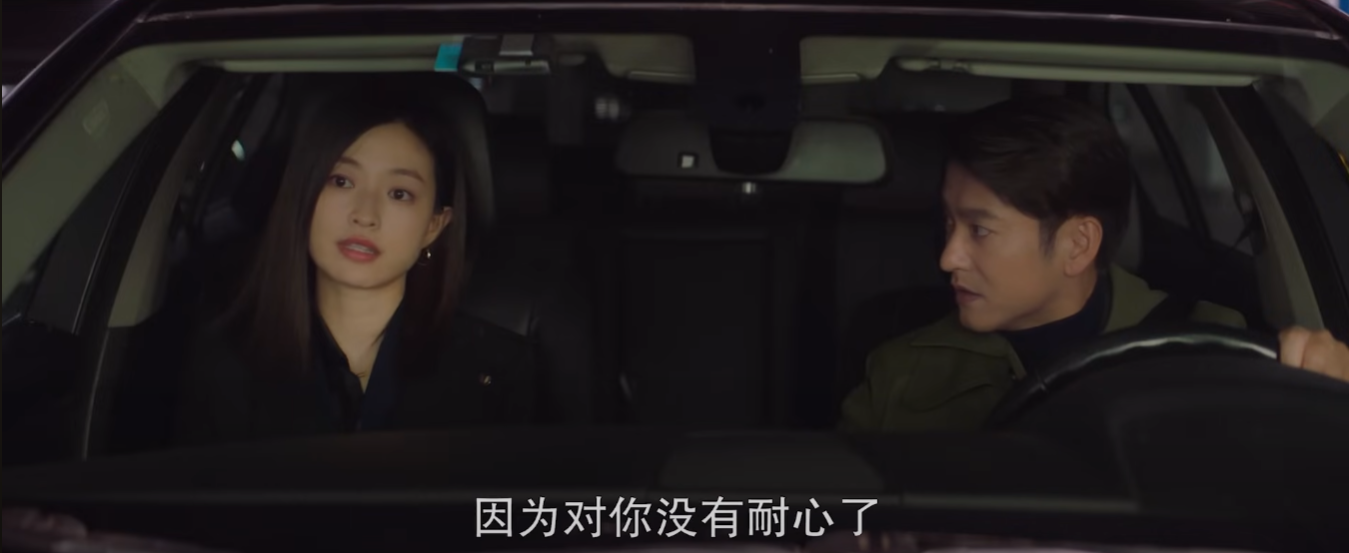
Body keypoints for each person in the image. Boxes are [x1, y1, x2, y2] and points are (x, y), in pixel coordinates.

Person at [840, 96, 1349, 433]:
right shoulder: (899, 372)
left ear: (1077, 245)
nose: (947, 256)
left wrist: (1330, 399)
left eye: (980, 230)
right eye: (949, 223)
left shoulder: (1212, 349)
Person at [175, 85, 536, 446]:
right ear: (304, 196)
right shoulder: (224, 360)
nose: (365, 214)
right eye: (342, 181)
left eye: (399, 193)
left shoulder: (498, 371)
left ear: (433, 226)